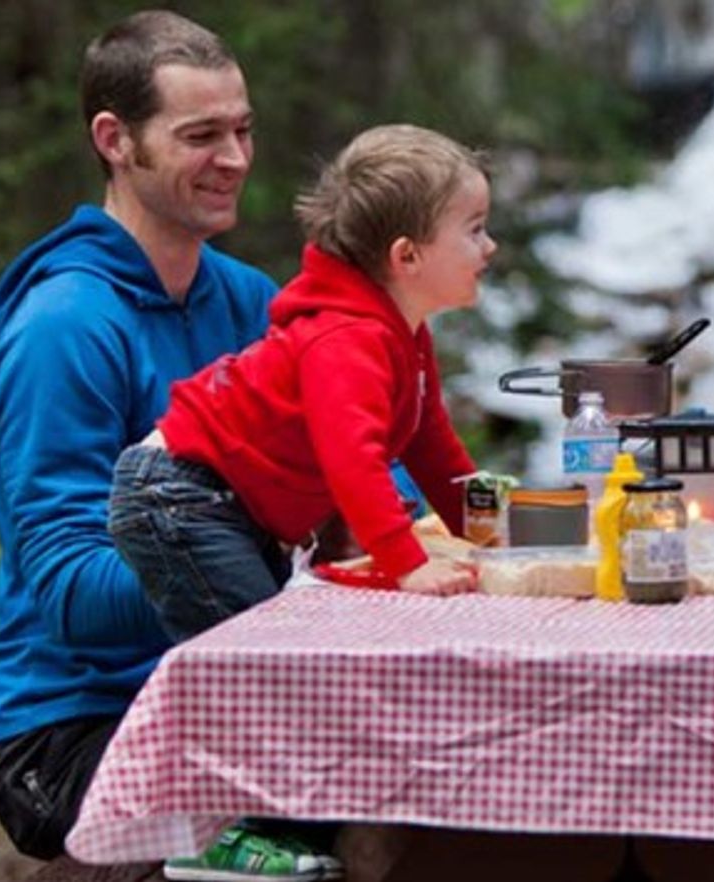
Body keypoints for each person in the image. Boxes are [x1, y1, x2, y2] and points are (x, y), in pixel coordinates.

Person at [0, 9, 315, 874]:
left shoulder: (248, 302)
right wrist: (265, 559)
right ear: (115, 140)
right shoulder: (65, 327)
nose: (234, 159)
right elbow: (70, 592)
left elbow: (363, 459)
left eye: (242, 130)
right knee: (335, 840)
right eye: (201, 135)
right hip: (70, 725)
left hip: (217, 694)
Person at [107, 121, 490, 652]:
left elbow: (431, 446)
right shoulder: (346, 339)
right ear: (407, 257)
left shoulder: (404, 331)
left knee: (280, 652)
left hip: (224, 502)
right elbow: (353, 459)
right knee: (266, 658)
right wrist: (409, 564)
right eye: (474, 230)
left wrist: (487, 534)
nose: (488, 247)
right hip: (180, 495)